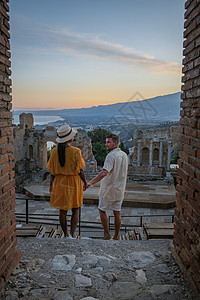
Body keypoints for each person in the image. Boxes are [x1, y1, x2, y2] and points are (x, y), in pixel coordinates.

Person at [47, 124, 87, 238]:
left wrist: (51, 185)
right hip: (74, 182)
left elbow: (52, 172)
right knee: (76, 209)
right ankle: (73, 234)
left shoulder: (54, 152)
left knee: (62, 211)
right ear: (70, 138)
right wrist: (85, 182)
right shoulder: (76, 151)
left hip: (59, 183)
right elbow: (80, 171)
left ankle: (65, 234)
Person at [87, 133, 128, 240]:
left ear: (115, 143)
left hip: (108, 189)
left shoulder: (111, 156)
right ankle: (116, 236)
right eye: (106, 142)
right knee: (117, 212)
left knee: (102, 210)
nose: (106, 144)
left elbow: (104, 172)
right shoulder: (124, 155)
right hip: (119, 189)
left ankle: (106, 234)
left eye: (108, 142)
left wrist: (90, 183)